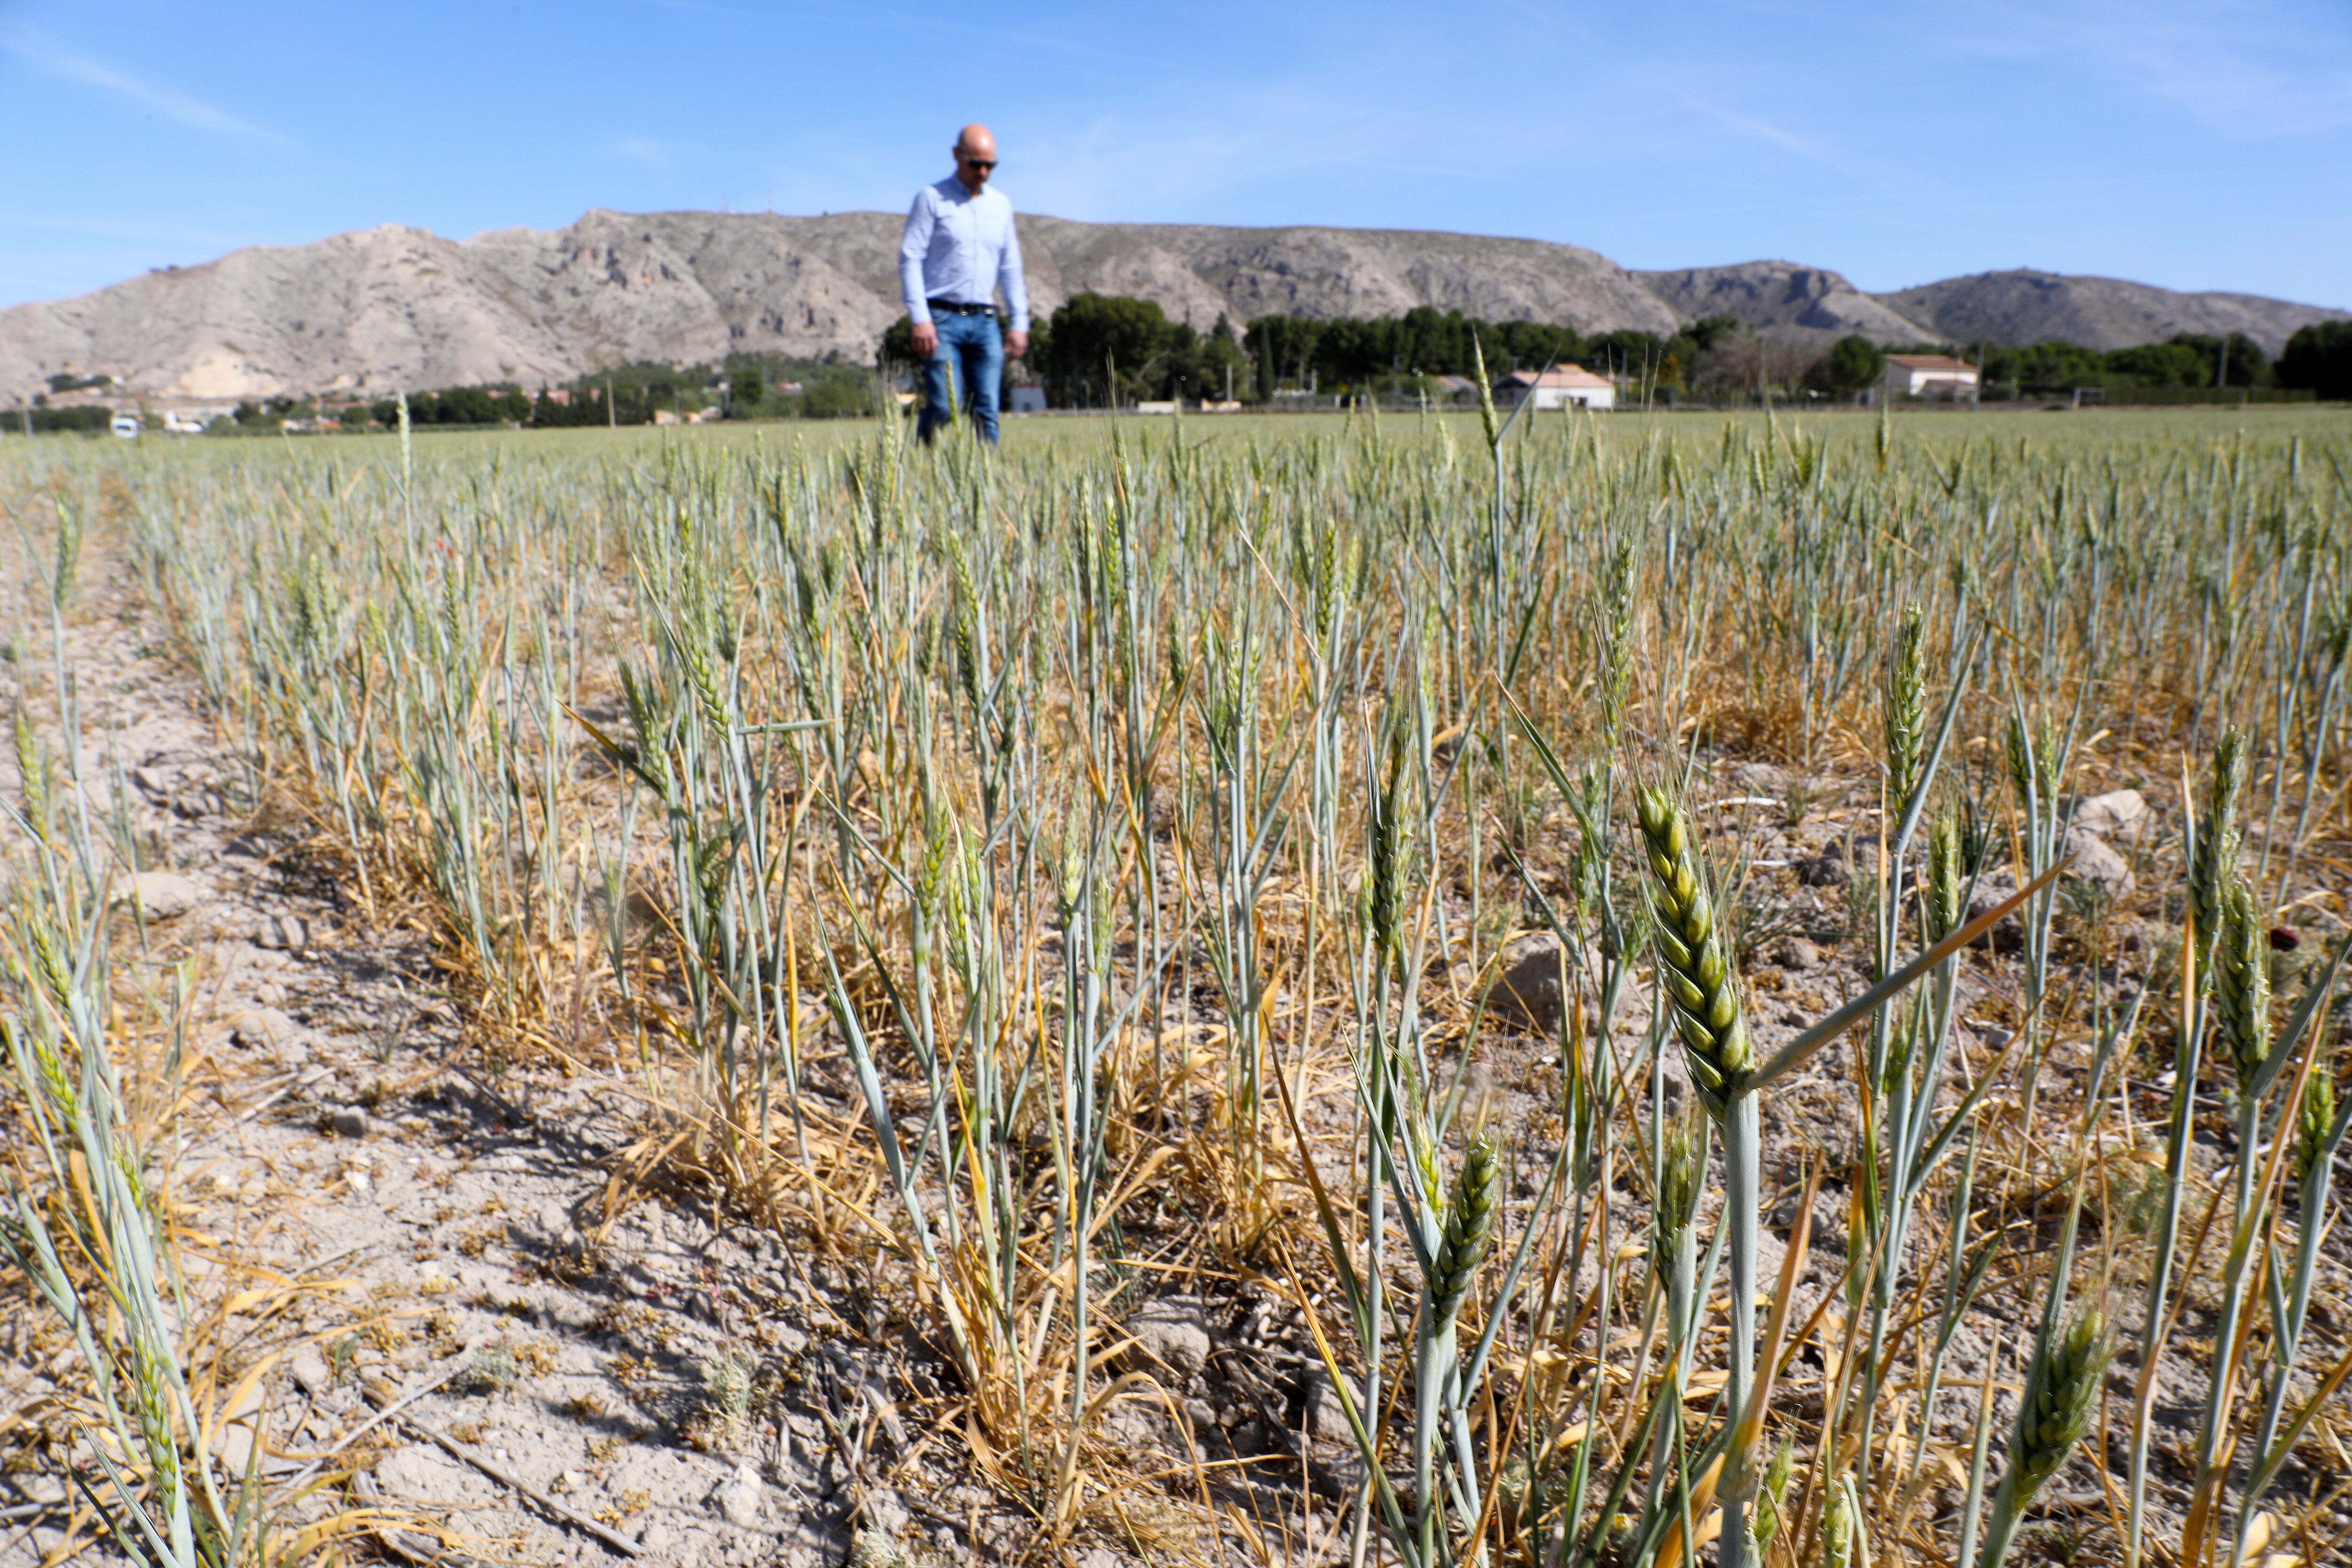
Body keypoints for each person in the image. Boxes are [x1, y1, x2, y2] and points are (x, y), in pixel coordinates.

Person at [898, 124, 1030, 445]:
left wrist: (1020, 323)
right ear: (957, 156)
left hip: (986, 321)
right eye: (975, 164)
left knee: (987, 409)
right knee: (945, 406)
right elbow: (910, 258)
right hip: (941, 319)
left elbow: (1011, 267)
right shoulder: (931, 198)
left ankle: (986, 483)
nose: (983, 172)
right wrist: (920, 318)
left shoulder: (1001, 206)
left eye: (990, 166)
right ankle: (922, 456)